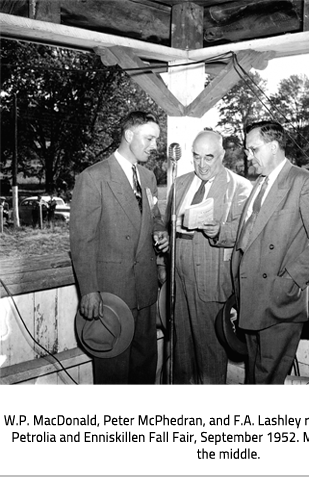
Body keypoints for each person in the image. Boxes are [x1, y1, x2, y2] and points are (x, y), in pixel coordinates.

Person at [231, 121, 309, 385]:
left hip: (279, 302)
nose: (248, 156)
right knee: (255, 377)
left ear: (273, 147)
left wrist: (290, 281)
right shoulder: (259, 183)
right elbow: (251, 234)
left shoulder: (304, 182)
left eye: (252, 149)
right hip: (250, 298)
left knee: (267, 379)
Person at [70, 111, 169, 385]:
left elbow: (154, 218)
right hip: (111, 295)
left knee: (145, 366)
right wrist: (89, 290)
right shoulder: (93, 177)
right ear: (129, 135)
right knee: (112, 371)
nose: (154, 146)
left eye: (156, 140)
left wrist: (160, 232)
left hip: (145, 293)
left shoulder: (148, 178)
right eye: (149, 138)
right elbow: (82, 241)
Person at [169, 130, 252, 385]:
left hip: (211, 283)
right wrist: (164, 241)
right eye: (196, 157)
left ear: (222, 155)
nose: (201, 165)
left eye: (208, 157)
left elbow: (246, 233)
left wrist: (221, 231)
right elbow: (168, 226)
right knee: (180, 354)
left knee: (210, 357)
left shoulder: (239, 186)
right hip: (178, 283)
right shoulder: (180, 183)